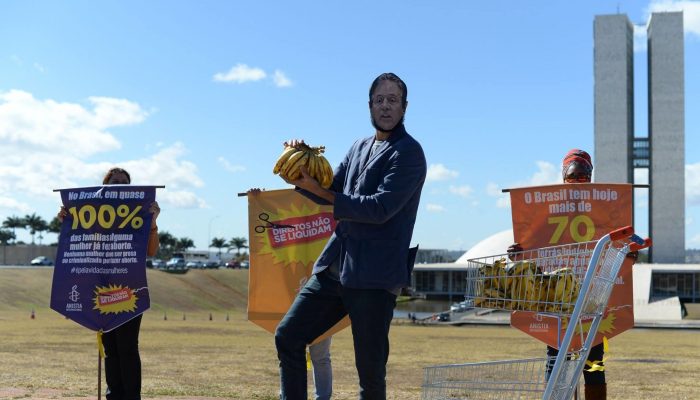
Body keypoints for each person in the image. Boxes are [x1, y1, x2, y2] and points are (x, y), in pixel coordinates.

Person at [274, 72, 427, 399]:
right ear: (369, 105)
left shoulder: (409, 153)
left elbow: (380, 208)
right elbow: (327, 192)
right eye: (379, 100)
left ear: (405, 107)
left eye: (393, 100)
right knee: (288, 335)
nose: (386, 106)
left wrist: (324, 193)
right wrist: (304, 171)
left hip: (375, 276)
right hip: (335, 268)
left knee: (370, 373)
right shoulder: (358, 146)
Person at [508, 149, 607, 400]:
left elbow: (616, 242)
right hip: (557, 298)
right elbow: (536, 244)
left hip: (592, 299)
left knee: (594, 362)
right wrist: (520, 253)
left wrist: (628, 256)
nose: (577, 182)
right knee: (556, 362)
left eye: (583, 177)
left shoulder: (604, 207)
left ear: (591, 176)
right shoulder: (548, 209)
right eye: (572, 177)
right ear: (563, 177)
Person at [58, 167, 160, 400]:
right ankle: (114, 394)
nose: (120, 186)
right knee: (111, 349)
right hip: (99, 289)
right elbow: (76, 242)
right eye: (115, 182)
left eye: (125, 183)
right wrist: (67, 220)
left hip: (129, 290)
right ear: (104, 186)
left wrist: (152, 222)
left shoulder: (138, 215)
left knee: (127, 347)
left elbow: (152, 252)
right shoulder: (92, 214)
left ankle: (131, 396)